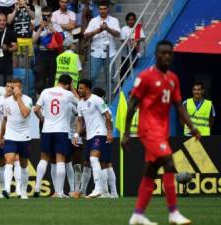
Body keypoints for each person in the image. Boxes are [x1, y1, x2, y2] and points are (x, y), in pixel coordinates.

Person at [122, 40, 201, 225]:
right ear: (156, 55)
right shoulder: (146, 77)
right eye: (163, 53)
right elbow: (132, 104)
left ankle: (138, 215)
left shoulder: (173, 79)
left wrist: (192, 127)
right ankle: (173, 212)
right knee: (168, 160)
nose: (166, 56)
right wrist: (126, 132)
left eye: (169, 53)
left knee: (151, 170)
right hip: (148, 129)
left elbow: (179, 105)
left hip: (162, 130)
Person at [34, 74, 78, 197]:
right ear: (68, 85)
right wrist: (73, 90)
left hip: (47, 130)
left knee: (44, 158)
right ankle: (59, 192)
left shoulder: (46, 91)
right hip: (62, 130)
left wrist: (43, 119)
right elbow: (80, 103)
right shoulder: (68, 94)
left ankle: (37, 187)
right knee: (60, 160)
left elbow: (36, 109)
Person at [73, 78, 113, 198]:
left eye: (81, 88)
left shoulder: (96, 99)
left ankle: (98, 189)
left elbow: (108, 115)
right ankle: (86, 191)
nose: (79, 90)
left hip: (100, 133)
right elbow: (80, 121)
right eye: (78, 88)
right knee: (87, 163)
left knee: (94, 159)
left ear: (87, 88)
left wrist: (109, 132)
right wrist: (76, 135)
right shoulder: (80, 103)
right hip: (89, 136)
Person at [0, 78, 33, 199]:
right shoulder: (6, 101)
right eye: (12, 87)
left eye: (17, 87)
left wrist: (18, 98)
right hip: (10, 135)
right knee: (9, 160)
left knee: (24, 164)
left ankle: (22, 191)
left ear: (21, 88)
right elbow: (5, 119)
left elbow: (25, 113)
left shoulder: (28, 100)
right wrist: (1, 135)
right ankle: (7, 190)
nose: (14, 89)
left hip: (24, 136)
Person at [0, 79, 20, 198]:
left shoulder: (18, 101)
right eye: (7, 86)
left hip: (14, 135)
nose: (9, 88)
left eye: (11, 87)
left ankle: (18, 190)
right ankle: (3, 190)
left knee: (16, 160)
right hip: (1, 136)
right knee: (2, 162)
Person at [83, 0, 120, 86]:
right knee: (93, 76)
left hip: (110, 52)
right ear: (98, 10)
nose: (102, 11)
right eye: (100, 9)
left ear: (108, 9)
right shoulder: (93, 21)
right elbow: (86, 35)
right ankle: (92, 97)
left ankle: (109, 98)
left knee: (110, 77)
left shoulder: (114, 20)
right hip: (96, 52)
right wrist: (97, 31)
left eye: (104, 9)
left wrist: (107, 28)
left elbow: (118, 34)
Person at [92, 87, 118, 198]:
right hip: (103, 136)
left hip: (102, 136)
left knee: (105, 164)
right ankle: (111, 192)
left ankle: (108, 192)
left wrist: (109, 133)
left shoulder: (101, 107)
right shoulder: (103, 107)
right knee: (106, 163)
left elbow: (108, 120)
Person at [32, 6, 62, 95]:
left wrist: (53, 30)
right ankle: (39, 100)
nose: (46, 18)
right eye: (44, 16)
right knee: (40, 79)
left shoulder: (57, 26)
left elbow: (61, 41)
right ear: (42, 15)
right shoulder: (38, 27)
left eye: (48, 16)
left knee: (52, 79)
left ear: (51, 15)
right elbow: (33, 41)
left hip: (54, 54)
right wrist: (41, 28)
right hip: (42, 54)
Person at [0, 13, 17, 86]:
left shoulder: (11, 32)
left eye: (4, 20)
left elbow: (15, 48)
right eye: (0, 20)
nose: (2, 22)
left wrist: (7, 48)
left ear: (6, 21)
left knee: (8, 86)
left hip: (7, 65)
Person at [7, 0, 35, 67]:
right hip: (15, 41)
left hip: (26, 40)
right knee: (15, 65)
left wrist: (26, 7)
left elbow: (33, 16)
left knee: (26, 66)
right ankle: (15, 77)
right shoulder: (11, 7)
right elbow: (9, 21)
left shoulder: (30, 7)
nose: (20, 1)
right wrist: (15, 10)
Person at [120, 12, 145, 78]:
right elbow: (122, 40)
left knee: (131, 68)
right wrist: (131, 42)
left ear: (135, 20)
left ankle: (128, 80)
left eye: (132, 19)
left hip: (135, 51)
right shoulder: (124, 28)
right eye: (129, 20)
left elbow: (143, 38)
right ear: (126, 21)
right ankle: (121, 86)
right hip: (126, 52)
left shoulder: (138, 28)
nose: (131, 21)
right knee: (123, 70)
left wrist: (137, 40)